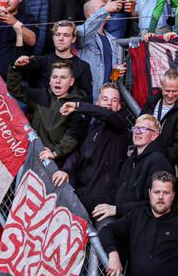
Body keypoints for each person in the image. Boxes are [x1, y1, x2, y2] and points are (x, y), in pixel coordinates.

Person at [102, 171, 178, 276]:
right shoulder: (137, 215)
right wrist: (113, 255)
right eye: (157, 192)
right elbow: (106, 231)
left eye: (166, 193)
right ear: (150, 193)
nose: (161, 197)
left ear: (173, 195)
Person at [52, 83, 130, 215]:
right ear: (97, 102)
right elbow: (77, 154)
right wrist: (65, 170)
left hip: (105, 203)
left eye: (114, 100)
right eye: (105, 99)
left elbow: (108, 115)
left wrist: (78, 106)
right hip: (82, 197)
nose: (109, 103)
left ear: (119, 106)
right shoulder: (91, 128)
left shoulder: (120, 125)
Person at [93, 113, 174, 225]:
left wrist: (117, 209)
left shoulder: (159, 161)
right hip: (125, 218)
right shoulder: (130, 160)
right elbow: (116, 193)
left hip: (144, 225)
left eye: (143, 129)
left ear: (154, 136)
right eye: (135, 128)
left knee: (105, 229)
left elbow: (154, 204)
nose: (137, 132)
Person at [7, 57, 86, 164]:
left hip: (56, 161)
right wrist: (15, 68)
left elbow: (74, 134)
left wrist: (55, 152)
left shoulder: (76, 104)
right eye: (54, 77)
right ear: (50, 80)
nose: (58, 81)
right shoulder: (42, 95)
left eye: (63, 77)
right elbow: (15, 89)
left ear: (71, 81)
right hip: (33, 153)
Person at [139, 68, 178, 165]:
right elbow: (139, 126)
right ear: (161, 86)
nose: (170, 95)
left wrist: (163, 161)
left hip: (165, 161)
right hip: (143, 156)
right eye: (167, 90)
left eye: (174, 91)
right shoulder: (151, 102)